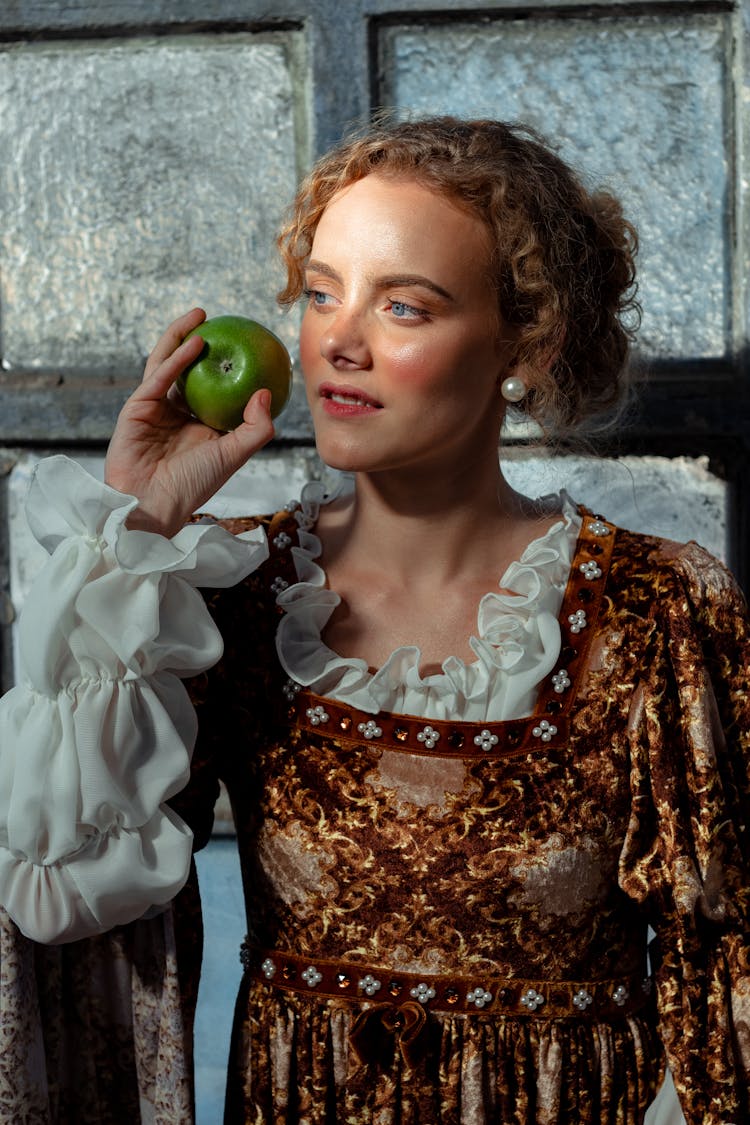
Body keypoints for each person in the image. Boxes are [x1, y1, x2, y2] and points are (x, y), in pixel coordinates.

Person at [0, 116, 748, 1125]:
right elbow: (57, 892)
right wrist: (139, 521)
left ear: (527, 343)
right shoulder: (228, 592)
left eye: (403, 305)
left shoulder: (658, 611)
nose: (338, 341)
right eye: (319, 293)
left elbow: (728, 987)